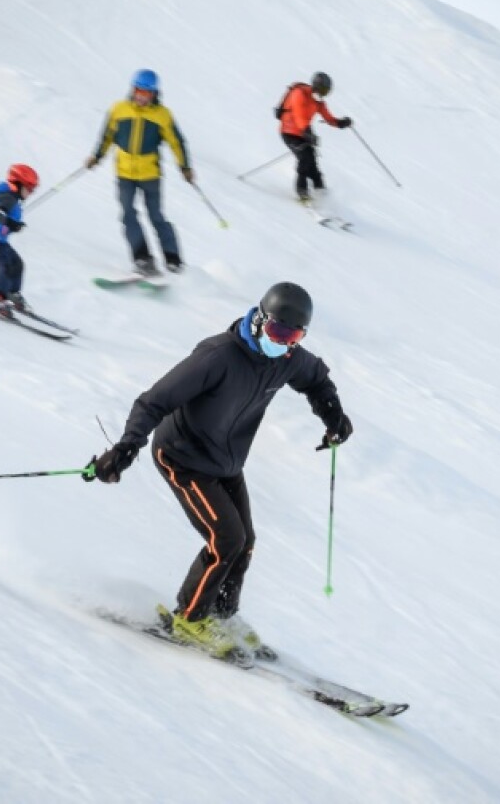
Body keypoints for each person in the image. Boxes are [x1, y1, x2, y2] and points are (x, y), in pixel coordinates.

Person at [85, 282, 355, 658]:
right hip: (183, 456)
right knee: (226, 539)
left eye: (293, 336)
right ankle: (190, 619)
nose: (284, 342)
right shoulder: (218, 355)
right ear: (260, 320)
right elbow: (152, 402)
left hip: (226, 461)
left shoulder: (287, 358)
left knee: (244, 543)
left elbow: (317, 380)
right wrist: (127, 445)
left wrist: (334, 416)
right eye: (279, 331)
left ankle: (223, 614)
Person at [86, 69, 193, 277]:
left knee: (156, 216)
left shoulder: (162, 115)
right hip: (124, 173)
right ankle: (142, 258)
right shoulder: (119, 110)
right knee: (128, 214)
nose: (142, 96)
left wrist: (185, 167)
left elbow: (176, 142)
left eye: (147, 93)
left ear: (154, 94)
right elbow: (107, 135)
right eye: (139, 91)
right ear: (133, 90)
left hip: (150, 174)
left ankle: (173, 259)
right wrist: (96, 156)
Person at [276, 71, 352, 203]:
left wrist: (341, 123)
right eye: (322, 90)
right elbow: (299, 116)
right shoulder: (299, 93)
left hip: (304, 133)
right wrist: (308, 132)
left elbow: (329, 118)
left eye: (326, 92)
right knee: (305, 158)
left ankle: (321, 192)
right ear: (315, 86)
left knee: (312, 163)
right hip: (288, 131)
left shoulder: (318, 103)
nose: (323, 94)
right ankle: (302, 192)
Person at [0, 163, 39, 312]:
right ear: (18, 184)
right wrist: (11, 223)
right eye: (29, 188)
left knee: (17, 264)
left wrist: (15, 225)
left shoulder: (13, 199)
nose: (31, 193)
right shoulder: (7, 197)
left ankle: (13, 293)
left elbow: (7, 220)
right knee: (6, 263)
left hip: (1, 239)